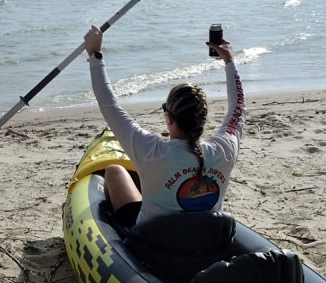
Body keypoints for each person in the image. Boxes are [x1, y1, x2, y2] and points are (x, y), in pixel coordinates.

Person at [84, 25, 245, 228]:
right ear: (202, 118)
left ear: (168, 117)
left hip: (154, 246)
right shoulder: (225, 150)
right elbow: (238, 108)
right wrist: (230, 61)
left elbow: (109, 106)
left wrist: (95, 55)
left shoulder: (150, 151)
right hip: (206, 241)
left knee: (115, 170)